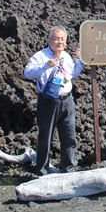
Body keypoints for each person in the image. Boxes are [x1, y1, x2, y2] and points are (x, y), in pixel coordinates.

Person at [23, 26, 84, 176]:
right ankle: (42, 171)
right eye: (56, 39)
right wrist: (46, 66)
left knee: (69, 136)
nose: (60, 42)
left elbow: (71, 74)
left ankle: (68, 169)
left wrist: (79, 61)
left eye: (63, 39)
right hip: (48, 101)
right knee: (46, 137)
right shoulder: (41, 56)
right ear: (49, 40)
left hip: (67, 100)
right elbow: (27, 73)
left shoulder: (67, 56)